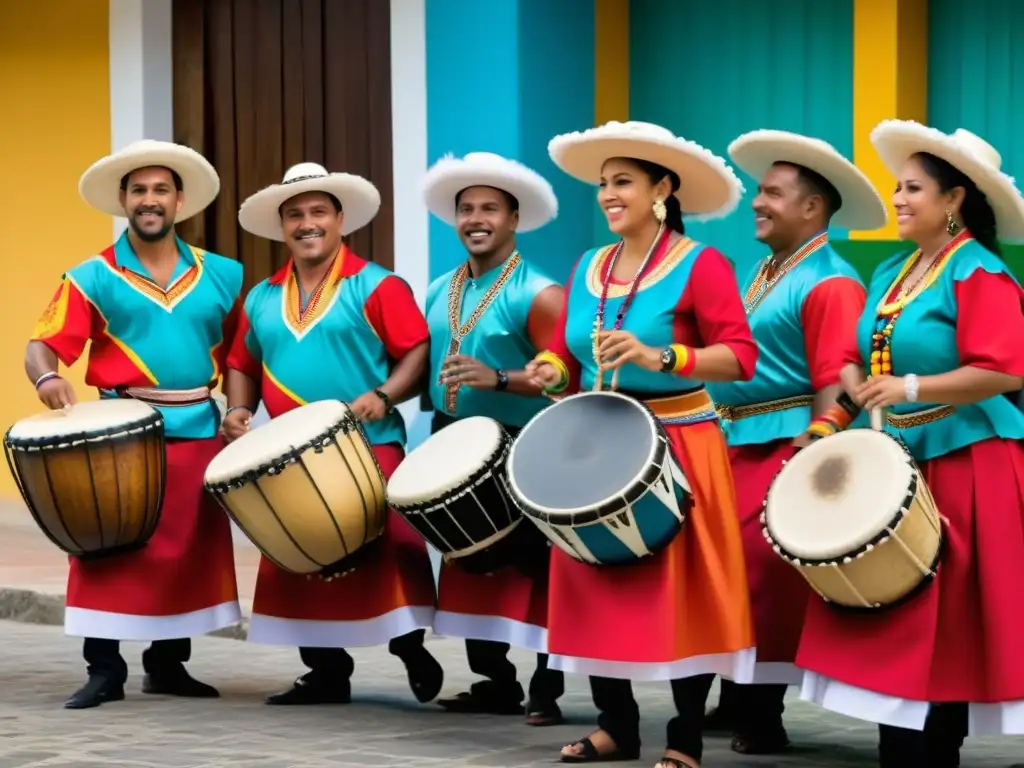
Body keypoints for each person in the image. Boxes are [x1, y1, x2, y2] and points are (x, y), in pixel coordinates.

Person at [526, 120, 758, 768]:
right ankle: (615, 726)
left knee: (682, 588)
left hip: (678, 439)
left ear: (661, 188)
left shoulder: (700, 263)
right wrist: (550, 369)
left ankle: (684, 736)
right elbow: (565, 352)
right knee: (595, 579)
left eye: (622, 181)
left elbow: (740, 357)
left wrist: (664, 354)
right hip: (596, 438)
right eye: (602, 184)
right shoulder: (588, 266)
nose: (607, 194)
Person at [796, 121, 1024, 766]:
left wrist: (910, 386)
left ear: (953, 199)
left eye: (913, 188)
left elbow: (1008, 367)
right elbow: (853, 356)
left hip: (968, 461)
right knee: (901, 610)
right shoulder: (896, 270)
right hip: (902, 461)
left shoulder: (978, 271)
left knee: (945, 621)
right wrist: (852, 396)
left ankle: (930, 750)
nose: (897, 199)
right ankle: (906, 748)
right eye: (898, 187)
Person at [25, 140, 243, 709]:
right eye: (139, 190)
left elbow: (244, 355)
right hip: (120, 435)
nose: (150, 200)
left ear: (179, 201)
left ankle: (168, 666)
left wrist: (243, 408)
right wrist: (47, 379)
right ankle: (103, 669)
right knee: (105, 545)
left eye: (160, 190)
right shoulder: (90, 276)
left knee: (187, 548)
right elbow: (42, 345)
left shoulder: (224, 274)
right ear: (123, 201)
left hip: (200, 428)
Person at [223, 162, 443, 706]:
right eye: (294, 214)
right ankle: (324, 672)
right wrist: (238, 408)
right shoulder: (260, 297)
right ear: (282, 227)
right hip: (288, 454)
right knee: (297, 552)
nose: (307, 223)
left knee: (391, 549)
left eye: (318, 211)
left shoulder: (379, 285)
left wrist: (386, 394)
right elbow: (241, 362)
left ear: (340, 219)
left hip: (370, 446)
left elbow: (416, 350)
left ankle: (410, 646)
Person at [701, 130, 887, 755]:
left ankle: (762, 712)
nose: (757, 202)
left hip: (785, 444)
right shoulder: (763, 271)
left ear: (812, 208)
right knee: (726, 572)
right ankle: (735, 699)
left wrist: (811, 458)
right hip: (734, 442)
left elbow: (836, 379)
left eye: (773, 194)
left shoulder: (831, 282)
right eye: (759, 191)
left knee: (765, 577)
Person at [420, 152, 566, 725]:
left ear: (513, 219)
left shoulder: (541, 292)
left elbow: (564, 377)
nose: (475, 218)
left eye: (489, 209)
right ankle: (495, 682)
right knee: (469, 564)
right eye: (466, 209)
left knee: (535, 570)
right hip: (454, 443)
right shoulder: (439, 288)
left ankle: (548, 689)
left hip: (522, 446)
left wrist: (499, 377)